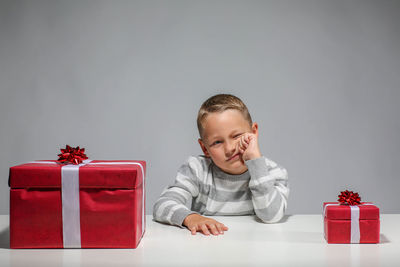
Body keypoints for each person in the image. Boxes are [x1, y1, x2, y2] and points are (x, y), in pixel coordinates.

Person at [153, 94, 289, 235]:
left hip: (254, 246)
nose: (230, 148)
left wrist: (255, 162)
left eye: (236, 136)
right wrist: (191, 218)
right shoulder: (198, 170)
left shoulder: (271, 171)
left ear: (254, 132)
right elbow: (162, 205)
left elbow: (271, 216)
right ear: (205, 148)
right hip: (209, 246)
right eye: (217, 142)